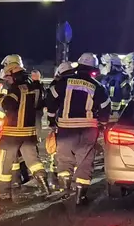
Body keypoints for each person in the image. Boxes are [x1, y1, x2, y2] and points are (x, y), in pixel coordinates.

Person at [44, 52, 110, 205]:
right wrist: (102, 123)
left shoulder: (64, 82)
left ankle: (65, 189)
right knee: (85, 161)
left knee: (64, 158)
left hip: (66, 128)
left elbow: (51, 99)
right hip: (88, 129)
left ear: (78, 66)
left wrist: (51, 119)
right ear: (93, 69)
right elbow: (105, 107)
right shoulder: (98, 86)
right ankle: (80, 197)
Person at [0, 55, 51, 199]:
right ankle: (44, 186)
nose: (7, 79)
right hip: (29, 133)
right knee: (33, 161)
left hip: (12, 133)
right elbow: (40, 103)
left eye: (8, 76)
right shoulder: (33, 85)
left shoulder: (15, 88)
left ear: (12, 71)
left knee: (4, 162)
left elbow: (8, 105)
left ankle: (2, 191)